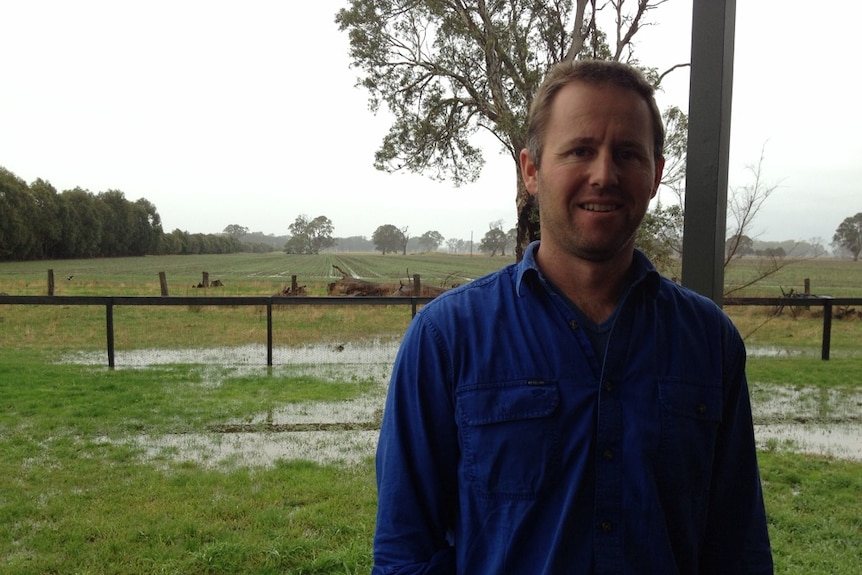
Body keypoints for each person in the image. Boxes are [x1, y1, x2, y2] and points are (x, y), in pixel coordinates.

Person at [372, 59, 773, 574]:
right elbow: (405, 553)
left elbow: (737, 548)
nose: (604, 175)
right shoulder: (446, 339)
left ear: (656, 175)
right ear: (532, 171)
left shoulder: (709, 341)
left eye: (628, 154)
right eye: (581, 150)